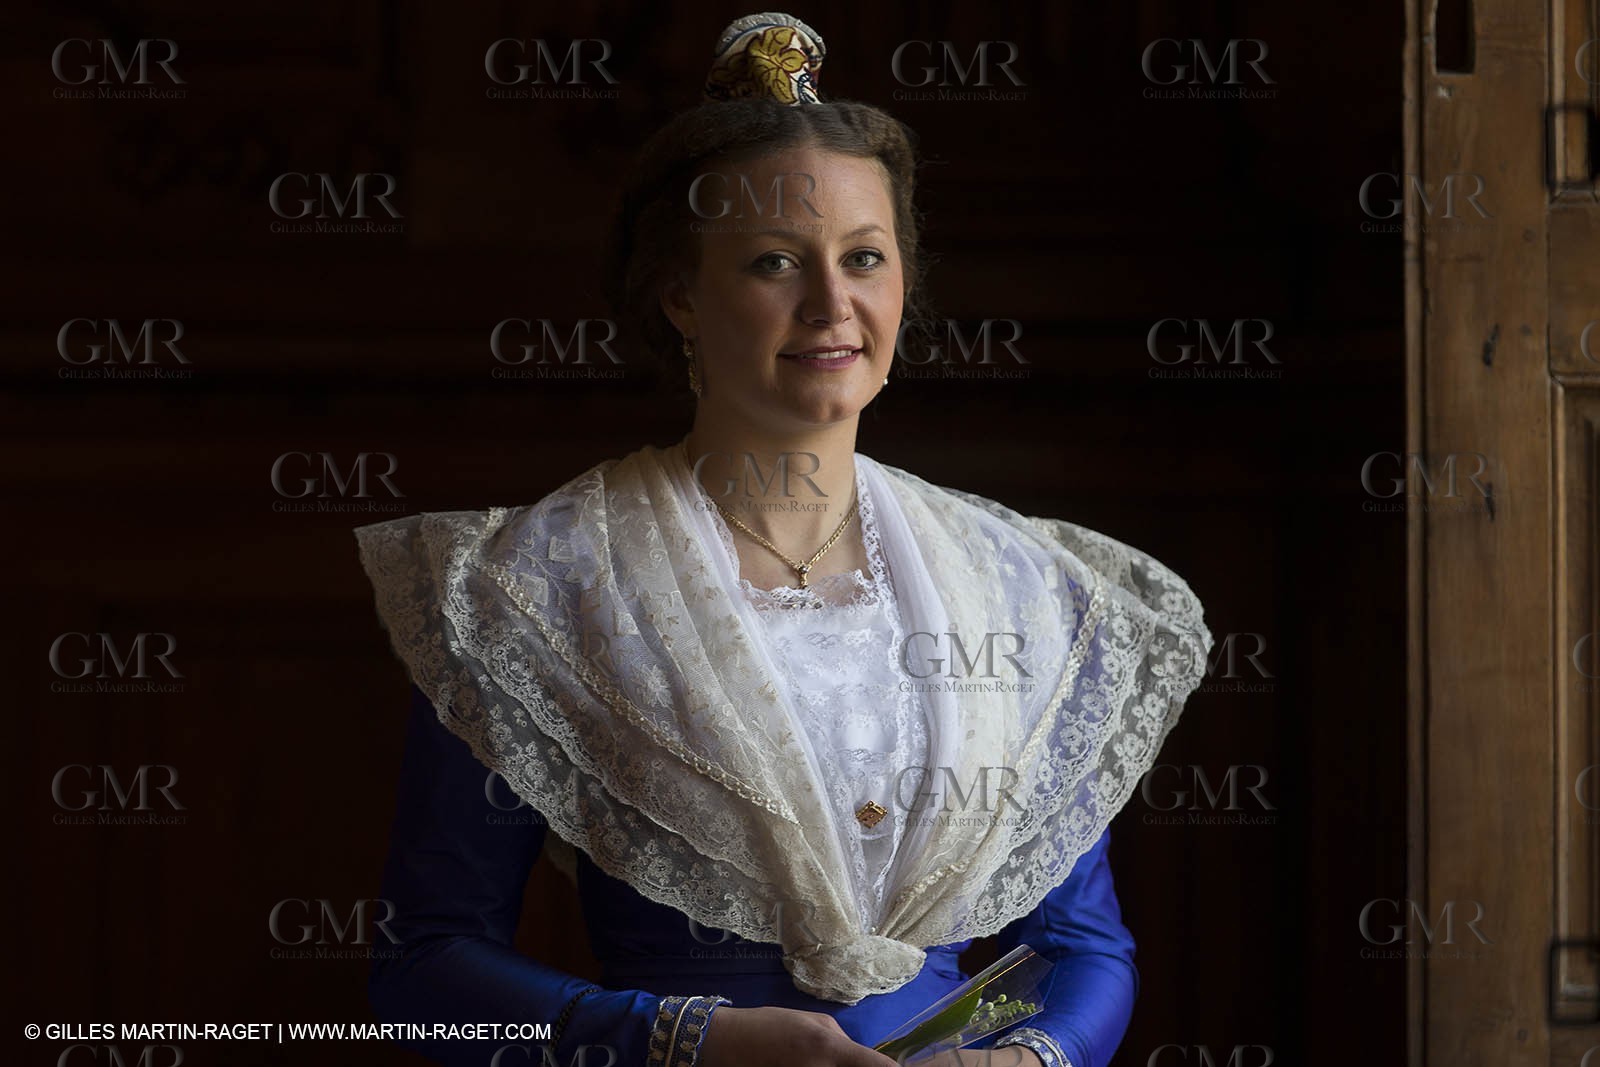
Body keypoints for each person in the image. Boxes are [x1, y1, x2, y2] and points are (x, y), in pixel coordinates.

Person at [353, 12, 1213, 1067]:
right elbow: (424, 966)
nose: (830, 303)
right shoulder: (536, 586)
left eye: (863, 256)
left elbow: (1082, 947)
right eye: (772, 261)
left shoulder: (1022, 589)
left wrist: (1025, 1059)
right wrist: (684, 1038)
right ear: (679, 293)